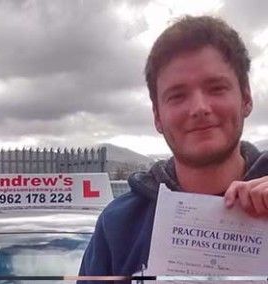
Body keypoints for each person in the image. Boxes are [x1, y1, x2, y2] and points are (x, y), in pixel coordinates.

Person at [78, 15, 268, 281]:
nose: (199, 108)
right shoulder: (118, 226)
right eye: (178, 95)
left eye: (216, 88)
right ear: (157, 116)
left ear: (246, 98)